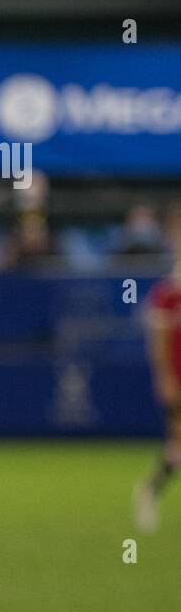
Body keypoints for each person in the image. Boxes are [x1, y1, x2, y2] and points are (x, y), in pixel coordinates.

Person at [135, 205, 181, 532]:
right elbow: (158, 344)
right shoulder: (167, 295)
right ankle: (149, 491)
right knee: (178, 446)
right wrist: (166, 380)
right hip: (178, 379)